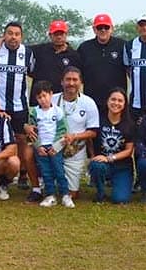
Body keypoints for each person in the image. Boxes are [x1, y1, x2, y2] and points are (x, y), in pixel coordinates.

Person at [0, 21, 40, 202]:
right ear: (4, 35)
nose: (13, 37)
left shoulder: (27, 53)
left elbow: (33, 73)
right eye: (9, 33)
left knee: (21, 140)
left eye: (17, 34)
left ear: (21, 37)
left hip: (19, 106)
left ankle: (24, 174)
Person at [49, 67, 99, 199]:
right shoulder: (51, 100)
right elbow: (36, 119)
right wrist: (27, 127)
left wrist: (74, 136)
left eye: (75, 80)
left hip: (75, 151)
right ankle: (40, 185)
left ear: (81, 82)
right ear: (62, 82)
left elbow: (93, 132)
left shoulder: (88, 103)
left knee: (72, 194)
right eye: (68, 79)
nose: (71, 83)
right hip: (53, 149)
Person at [28, 81, 74, 208]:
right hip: (41, 148)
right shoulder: (34, 112)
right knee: (46, 172)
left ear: (51, 94)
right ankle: (50, 196)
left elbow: (63, 129)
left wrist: (57, 146)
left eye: (45, 96)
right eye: (39, 97)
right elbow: (32, 132)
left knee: (59, 170)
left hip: (55, 148)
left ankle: (65, 195)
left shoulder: (57, 111)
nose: (43, 100)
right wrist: (38, 146)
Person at [88, 88, 135, 204]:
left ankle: (119, 183)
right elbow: (89, 139)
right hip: (102, 164)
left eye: (120, 101)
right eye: (113, 99)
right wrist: (93, 156)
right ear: (107, 101)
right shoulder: (98, 120)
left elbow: (129, 151)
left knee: (120, 199)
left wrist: (109, 158)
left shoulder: (129, 124)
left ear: (124, 104)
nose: (116, 103)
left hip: (122, 166)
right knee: (96, 165)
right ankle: (100, 192)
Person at [77, 13, 129, 114]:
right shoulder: (84, 48)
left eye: (106, 27)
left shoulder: (122, 46)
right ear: (94, 29)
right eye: (99, 27)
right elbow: (78, 74)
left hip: (116, 102)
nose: (103, 30)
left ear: (112, 28)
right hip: (91, 102)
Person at [28, 19, 82, 102]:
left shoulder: (74, 55)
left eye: (61, 34)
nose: (59, 37)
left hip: (63, 100)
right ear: (50, 35)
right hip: (40, 99)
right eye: (56, 34)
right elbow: (20, 49)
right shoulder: (39, 50)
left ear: (66, 34)